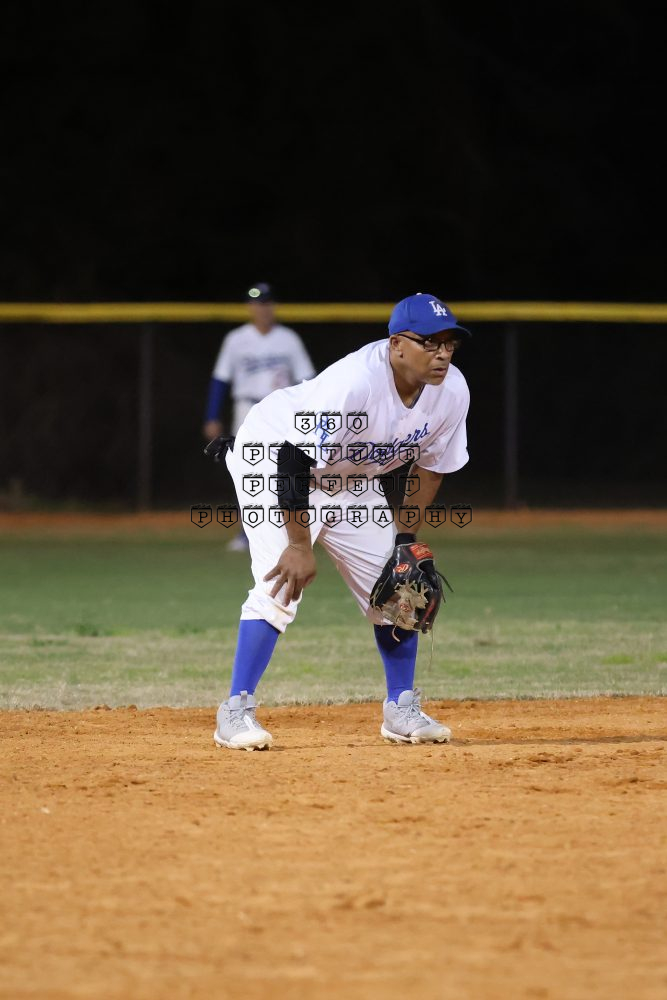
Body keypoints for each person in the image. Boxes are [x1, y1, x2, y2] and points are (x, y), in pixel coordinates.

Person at [213, 292, 471, 750]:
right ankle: (235, 711)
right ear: (397, 345)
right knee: (280, 583)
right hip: (274, 456)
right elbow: (293, 458)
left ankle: (401, 708)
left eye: (449, 343)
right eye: (430, 342)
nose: (442, 353)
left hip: (349, 475)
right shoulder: (356, 382)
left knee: (400, 589)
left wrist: (405, 540)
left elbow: (432, 467)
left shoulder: (452, 392)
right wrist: (299, 545)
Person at [203, 282, 315, 550]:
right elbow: (220, 379)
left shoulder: (288, 339)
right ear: (249, 307)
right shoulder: (236, 339)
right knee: (247, 469)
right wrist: (212, 416)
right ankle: (247, 532)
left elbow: (309, 379)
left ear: (273, 306)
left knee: (286, 468)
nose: (262, 308)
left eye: (266, 303)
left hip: (282, 410)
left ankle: (291, 530)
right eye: (256, 303)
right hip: (247, 408)